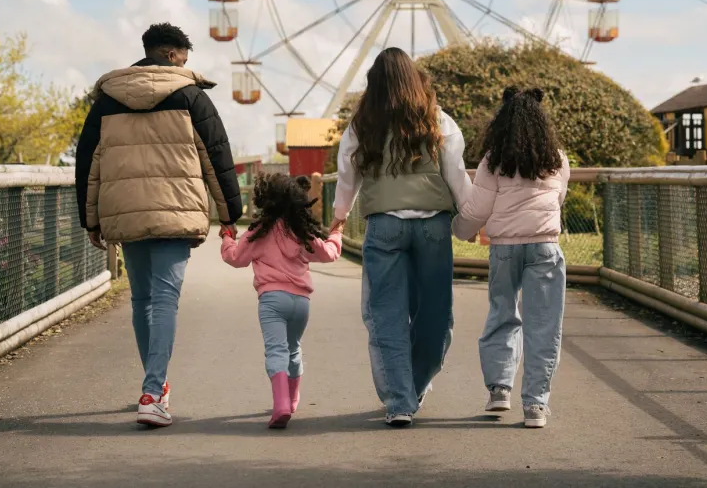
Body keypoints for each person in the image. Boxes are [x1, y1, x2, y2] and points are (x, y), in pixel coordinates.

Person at [75, 22, 243, 428]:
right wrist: (229, 215)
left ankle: (156, 385)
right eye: (184, 58)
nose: (186, 64)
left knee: (141, 300)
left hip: (126, 212)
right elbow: (216, 155)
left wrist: (90, 218)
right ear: (170, 54)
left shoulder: (107, 101)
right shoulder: (190, 96)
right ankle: (152, 393)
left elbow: (87, 162)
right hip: (175, 211)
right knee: (165, 300)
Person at [333, 47, 473, 428]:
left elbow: (347, 176)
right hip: (433, 226)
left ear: (373, 84)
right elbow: (456, 175)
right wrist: (475, 221)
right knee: (435, 314)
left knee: (386, 314)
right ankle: (415, 384)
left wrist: (339, 218)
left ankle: (400, 400)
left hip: (385, 225)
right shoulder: (438, 119)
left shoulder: (363, 124)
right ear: (415, 79)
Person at [453, 86, 570, 429]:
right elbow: (557, 200)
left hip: (504, 247)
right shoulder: (557, 159)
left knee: (503, 313)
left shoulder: (494, 160)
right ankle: (535, 405)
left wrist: (459, 229)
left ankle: (499, 389)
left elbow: (478, 209)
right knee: (544, 326)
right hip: (545, 246)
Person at [221, 173, 342, 429]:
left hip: (272, 301)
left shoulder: (258, 232)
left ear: (264, 200)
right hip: (301, 302)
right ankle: (293, 397)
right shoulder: (301, 231)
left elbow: (236, 258)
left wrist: (227, 237)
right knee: (293, 348)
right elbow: (328, 253)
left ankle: (281, 405)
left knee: (276, 350)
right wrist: (336, 234)